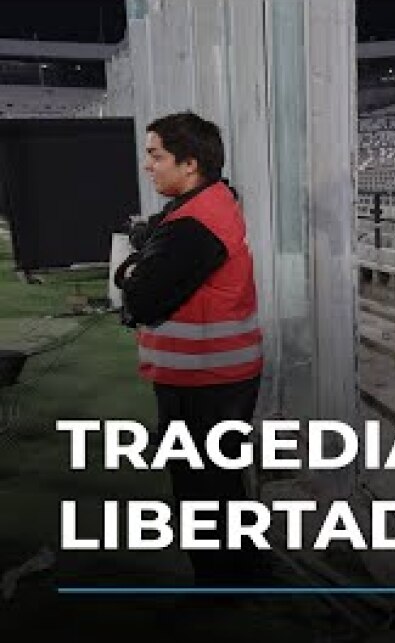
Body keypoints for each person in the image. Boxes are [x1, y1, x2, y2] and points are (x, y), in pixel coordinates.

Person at [115, 111, 268, 586]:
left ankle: (223, 584)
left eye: (156, 155)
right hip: (213, 374)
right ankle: (238, 574)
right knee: (218, 484)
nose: (148, 166)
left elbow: (139, 296)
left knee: (203, 489)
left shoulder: (197, 222)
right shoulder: (207, 205)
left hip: (207, 379)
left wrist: (126, 274)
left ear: (190, 163)